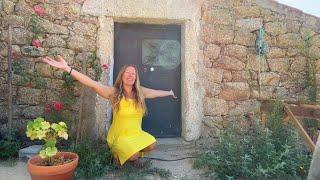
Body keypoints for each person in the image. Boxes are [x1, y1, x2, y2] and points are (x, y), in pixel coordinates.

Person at [43, 55, 177, 167]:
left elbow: (155, 93)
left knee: (152, 144)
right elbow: (92, 83)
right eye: (127, 73)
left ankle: (129, 154)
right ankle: (118, 155)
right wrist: (67, 68)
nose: (130, 75)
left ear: (136, 77)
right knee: (134, 155)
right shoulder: (114, 93)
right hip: (118, 136)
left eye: (133, 74)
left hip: (136, 134)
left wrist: (169, 92)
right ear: (122, 75)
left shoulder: (140, 92)